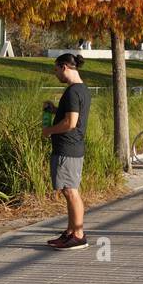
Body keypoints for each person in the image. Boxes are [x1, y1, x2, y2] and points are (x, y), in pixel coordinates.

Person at [42, 53, 92, 250]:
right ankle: (71, 231)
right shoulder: (81, 89)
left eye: (56, 69)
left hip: (67, 148)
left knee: (70, 191)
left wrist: (49, 131)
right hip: (72, 147)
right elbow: (74, 117)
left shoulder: (72, 92)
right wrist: (55, 110)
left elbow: (70, 123)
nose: (55, 74)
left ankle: (78, 235)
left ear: (64, 67)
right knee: (68, 189)